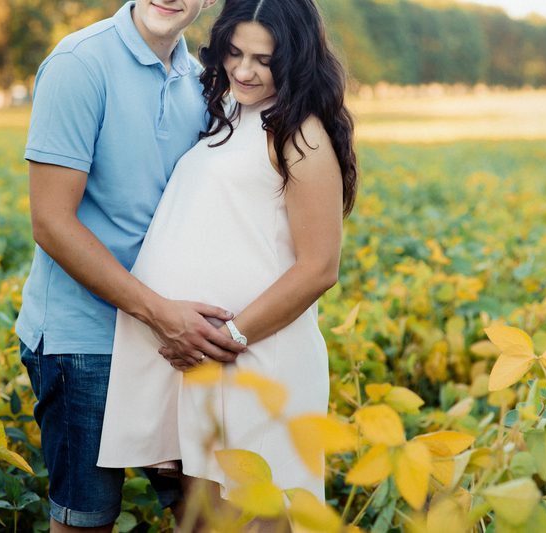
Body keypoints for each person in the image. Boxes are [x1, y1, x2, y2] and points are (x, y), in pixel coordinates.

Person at [98, 0, 358, 522]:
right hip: (206, 359)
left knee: (258, 512)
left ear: (296, 59)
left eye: (264, 59)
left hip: (256, 357)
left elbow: (318, 268)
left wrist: (232, 336)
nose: (244, 69)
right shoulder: (230, 114)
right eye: (234, 52)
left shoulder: (299, 133)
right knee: (203, 518)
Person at [15, 0, 250, 531]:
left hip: (173, 338)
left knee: (209, 515)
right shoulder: (79, 63)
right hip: (87, 339)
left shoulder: (203, 80)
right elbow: (52, 223)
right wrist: (158, 312)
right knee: (86, 519)